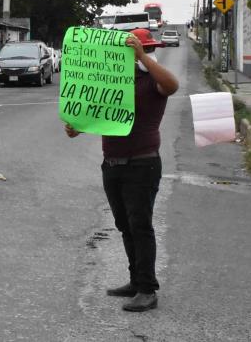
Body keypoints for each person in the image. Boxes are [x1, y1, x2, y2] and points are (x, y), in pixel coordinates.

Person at [65, 28, 179, 312]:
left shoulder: (151, 81)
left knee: (140, 226)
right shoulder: (110, 83)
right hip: (112, 163)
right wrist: (75, 128)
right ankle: (135, 280)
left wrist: (143, 57)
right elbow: (93, 118)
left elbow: (173, 85)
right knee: (125, 225)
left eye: (139, 50)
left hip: (142, 163)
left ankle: (147, 289)